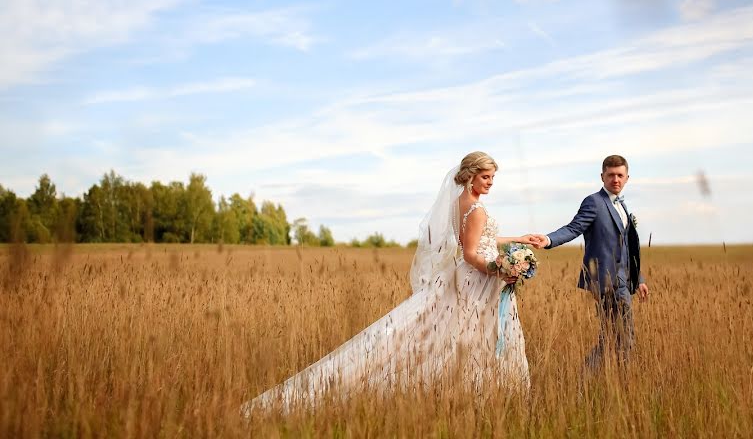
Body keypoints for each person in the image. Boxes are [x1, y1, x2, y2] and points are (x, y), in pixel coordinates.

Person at [242, 151, 532, 415]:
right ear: (470, 176)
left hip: (466, 277)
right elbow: (471, 253)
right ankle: (472, 394)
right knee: (471, 337)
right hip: (478, 278)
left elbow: (478, 239)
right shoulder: (477, 209)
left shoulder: (460, 203)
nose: (491, 183)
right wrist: (499, 268)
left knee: (455, 336)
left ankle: (462, 391)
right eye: (486, 177)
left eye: (493, 177)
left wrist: (517, 240)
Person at [529, 154, 649, 367]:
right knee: (623, 338)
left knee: (613, 338)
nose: (615, 179)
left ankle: (591, 381)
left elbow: (628, 247)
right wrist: (548, 239)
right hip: (605, 281)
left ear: (627, 178)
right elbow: (574, 228)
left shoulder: (622, 205)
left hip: (623, 280)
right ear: (602, 176)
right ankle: (601, 382)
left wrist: (638, 278)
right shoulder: (594, 202)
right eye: (611, 175)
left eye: (620, 175)